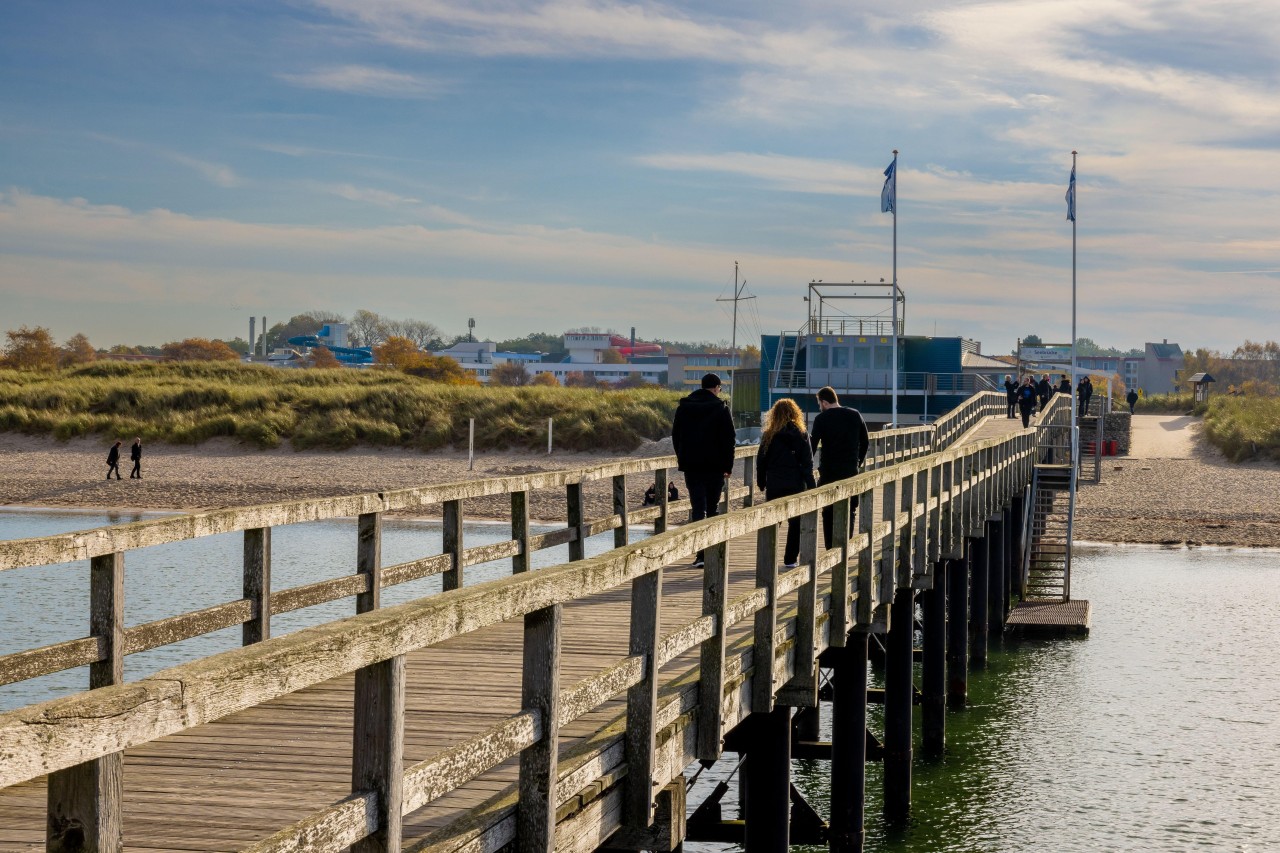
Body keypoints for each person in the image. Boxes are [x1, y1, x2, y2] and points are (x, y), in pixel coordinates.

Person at [671, 373, 736, 567]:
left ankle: (700, 555)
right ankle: (710, 552)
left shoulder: (684, 407)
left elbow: (676, 435)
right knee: (712, 508)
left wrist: (682, 457)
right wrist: (728, 465)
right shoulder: (721, 408)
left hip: (692, 465)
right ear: (716, 387)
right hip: (715, 467)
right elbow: (729, 439)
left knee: (698, 508)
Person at [757, 398, 816, 568]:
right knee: (795, 523)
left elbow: (761, 461)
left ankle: (767, 559)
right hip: (795, 483)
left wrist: (761, 482)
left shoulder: (769, 434)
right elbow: (807, 464)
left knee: (772, 522)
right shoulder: (802, 434)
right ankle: (790, 559)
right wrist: (811, 486)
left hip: (775, 482)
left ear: (774, 414)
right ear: (795, 413)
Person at [809, 386, 870, 550]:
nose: (819, 407)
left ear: (824, 402)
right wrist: (858, 462)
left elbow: (812, 447)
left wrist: (807, 468)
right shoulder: (855, 414)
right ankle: (846, 547)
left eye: (819, 404)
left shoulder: (821, 419)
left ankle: (830, 548)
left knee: (828, 512)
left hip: (829, 472)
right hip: (850, 471)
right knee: (850, 510)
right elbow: (865, 442)